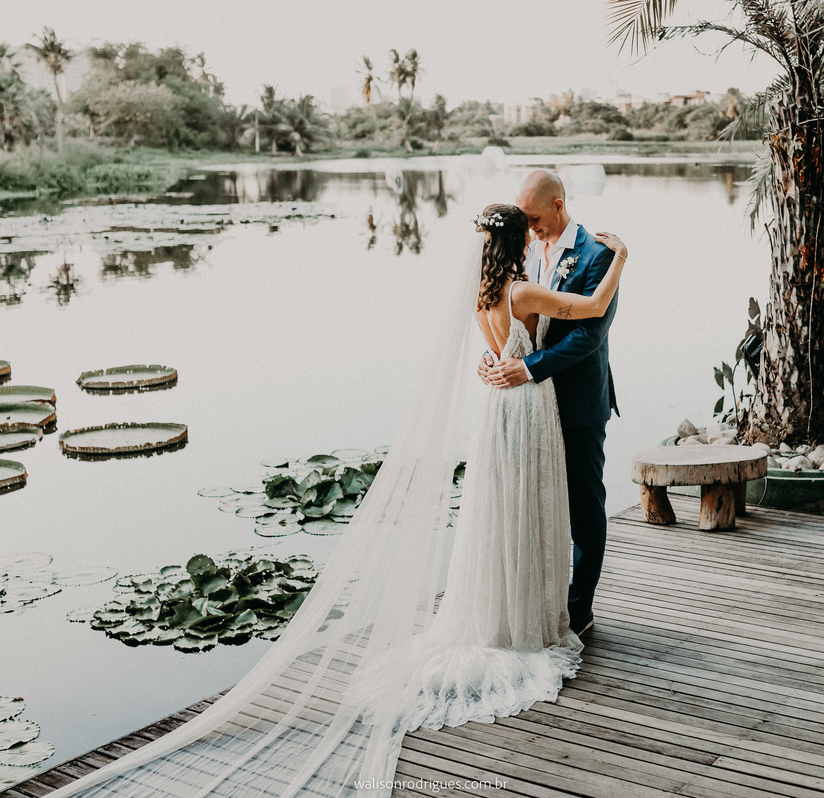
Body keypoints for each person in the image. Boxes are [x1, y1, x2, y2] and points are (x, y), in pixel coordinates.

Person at [46, 204, 627, 798]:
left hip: (493, 408)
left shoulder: (480, 296)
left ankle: (496, 612)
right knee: (522, 512)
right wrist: (622, 258)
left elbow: (502, 342)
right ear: (518, 241)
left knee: (497, 512)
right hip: (524, 408)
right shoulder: (524, 291)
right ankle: (526, 617)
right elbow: (593, 308)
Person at [481, 170, 620, 638]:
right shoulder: (520, 259)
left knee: (584, 509)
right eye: (523, 221)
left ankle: (579, 610)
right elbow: (505, 321)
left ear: (558, 205)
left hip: (577, 402)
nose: (530, 227)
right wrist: (493, 359)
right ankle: (540, 608)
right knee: (534, 508)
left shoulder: (596, 255)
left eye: (535, 218)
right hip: (527, 409)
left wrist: (529, 367)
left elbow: (590, 333)